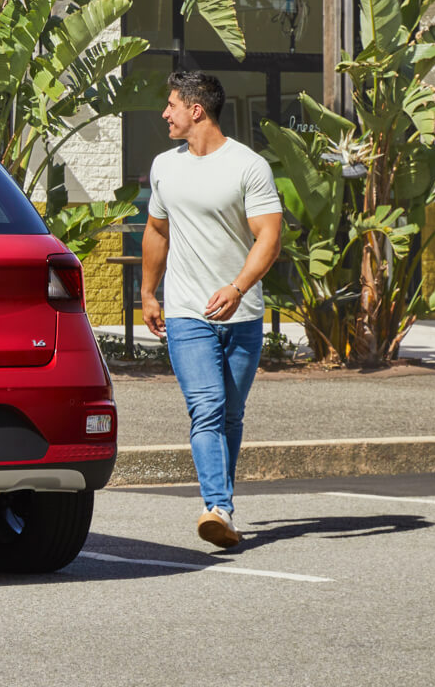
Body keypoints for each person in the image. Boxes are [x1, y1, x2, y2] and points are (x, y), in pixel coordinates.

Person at [140, 71, 284, 549]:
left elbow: (269, 237)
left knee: (231, 415)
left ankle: (223, 508)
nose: (166, 113)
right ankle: (217, 506)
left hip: (242, 315)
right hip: (187, 312)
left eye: (172, 105)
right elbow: (157, 231)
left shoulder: (247, 166)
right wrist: (148, 292)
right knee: (207, 408)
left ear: (196, 110)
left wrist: (239, 287)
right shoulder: (165, 166)